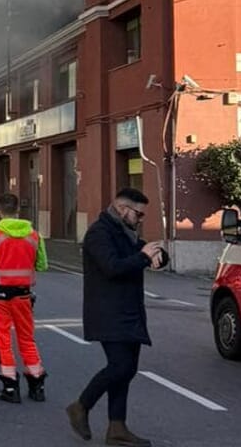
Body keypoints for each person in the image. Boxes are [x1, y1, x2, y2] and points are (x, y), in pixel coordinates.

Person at [67, 188, 166, 447]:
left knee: (127, 370)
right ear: (122, 209)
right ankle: (81, 405)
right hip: (108, 312)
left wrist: (156, 256)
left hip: (129, 311)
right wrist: (142, 257)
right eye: (139, 214)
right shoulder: (99, 233)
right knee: (120, 366)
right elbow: (112, 267)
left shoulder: (126, 232)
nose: (141, 220)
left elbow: (140, 253)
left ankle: (117, 427)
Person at [0, 192, 48, 404]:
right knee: (27, 339)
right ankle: (37, 385)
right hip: (24, 295)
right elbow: (42, 265)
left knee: (3, 340)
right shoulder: (34, 236)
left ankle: (10, 387)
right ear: (19, 210)